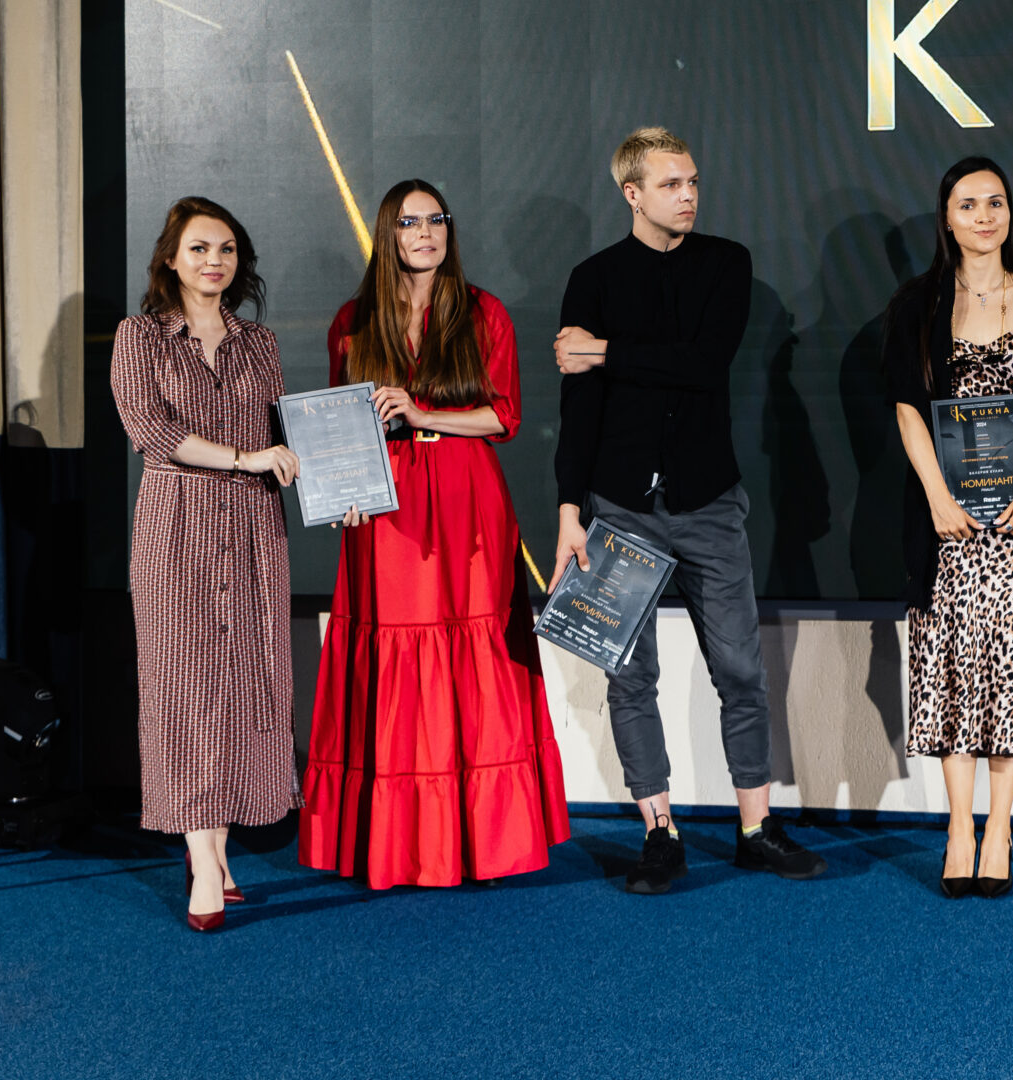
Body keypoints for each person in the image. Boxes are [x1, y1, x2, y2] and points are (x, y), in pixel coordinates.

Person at [553, 127, 825, 893]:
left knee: (739, 669)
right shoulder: (593, 278)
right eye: (672, 184)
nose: (688, 195)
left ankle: (755, 828)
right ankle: (659, 832)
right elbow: (579, 408)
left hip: (707, 500)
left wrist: (605, 351)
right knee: (628, 676)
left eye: (694, 181)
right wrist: (569, 509)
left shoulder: (725, 263)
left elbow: (705, 366)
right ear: (632, 193)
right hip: (618, 507)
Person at [299, 179, 571, 888]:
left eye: (436, 219)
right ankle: (396, 845)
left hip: (465, 498)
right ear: (388, 233)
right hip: (384, 510)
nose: (426, 233)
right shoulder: (354, 319)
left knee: (476, 653)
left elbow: (503, 417)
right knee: (394, 650)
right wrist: (343, 493)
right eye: (410, 222)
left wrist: (422, 413)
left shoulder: (484, 311)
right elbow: (337, 427)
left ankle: (486, 843)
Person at [882, 155, 1013, 899]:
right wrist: (936, 496)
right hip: (946, 523)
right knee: (951, 675)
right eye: (969, 204)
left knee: (1012, 675)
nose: (984, 216)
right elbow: (907, 407)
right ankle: (959, 828)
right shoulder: (919, 303)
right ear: (947, 217)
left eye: (995, 202)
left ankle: (1000, 829)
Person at [111, 196, 301, 931]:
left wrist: (343, 471)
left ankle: (216, 854)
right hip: (177, 525)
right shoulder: (139, 336)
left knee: (248, 682)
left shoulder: (260, 343)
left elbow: (286, 435)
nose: (213, 261)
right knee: (183, 687)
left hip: (253, 527)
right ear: (171, 258)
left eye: (226, 249)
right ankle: (201, 857)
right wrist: (246, 458)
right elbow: (152, 432)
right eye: (198, 248)